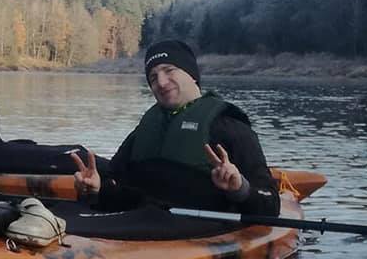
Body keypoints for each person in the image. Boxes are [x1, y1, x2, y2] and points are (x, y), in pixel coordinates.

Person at [70, 39, 279, 215]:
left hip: (197, 230)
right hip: (140, 223)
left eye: (169, 70)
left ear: (192, 75)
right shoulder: (145, 129)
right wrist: (96, 189)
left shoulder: (229, 126)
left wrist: (240, 189)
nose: (161, 82)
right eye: (153, 77)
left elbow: (271, 204)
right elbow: (116, 186)